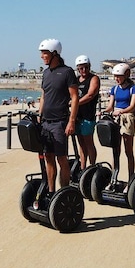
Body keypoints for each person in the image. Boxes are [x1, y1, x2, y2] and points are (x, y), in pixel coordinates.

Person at [38, 38, 79, 196]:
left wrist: (71, 121)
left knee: (62, 158)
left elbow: (74, 97)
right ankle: (51, 191)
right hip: (46, 123)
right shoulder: (46, 73)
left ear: (54, 53)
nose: (42, 56)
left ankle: (64, 193)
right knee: (48, 157)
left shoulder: (67, 72)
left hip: (60, 123)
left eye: (44, 53)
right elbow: (43, 96)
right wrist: (39, 116)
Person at [104, 62, 135, 183]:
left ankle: (131, 178)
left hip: (127, 117)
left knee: (128, 150)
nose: (116, 79)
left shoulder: (133, 88)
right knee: (115, 148)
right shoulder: (114, 88)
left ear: (126, 75)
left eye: (119, 76)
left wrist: (121, 111)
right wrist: (103, 111)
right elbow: (110, 106)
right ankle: (114, 177)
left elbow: (132, 106)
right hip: (116, 117)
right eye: (115, 76)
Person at [74, 55, 100, 170]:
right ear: (78, 69)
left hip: (88, 116)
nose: (84, 70)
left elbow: (90, 95)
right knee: (81, 144)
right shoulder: (76, 80)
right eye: (81, 68)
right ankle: (83, 167)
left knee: (89, 142)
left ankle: (92, 166)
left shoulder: (94, 78)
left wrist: (75, 103)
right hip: (77, 116)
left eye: (86, 67)